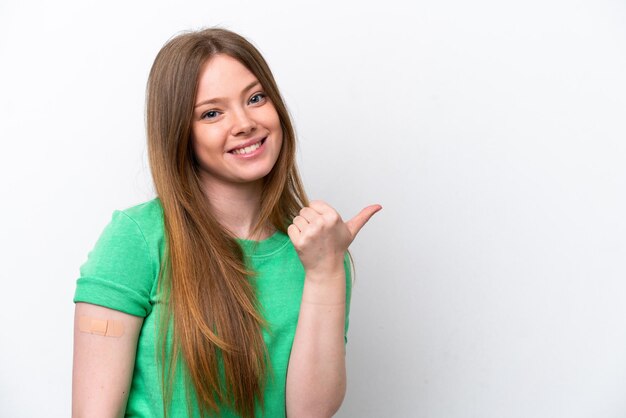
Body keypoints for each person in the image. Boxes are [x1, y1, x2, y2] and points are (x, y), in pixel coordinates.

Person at [72, 27, 381, 418]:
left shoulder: (317, 250)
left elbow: (308, 413)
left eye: (255, 98)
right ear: (180, 134)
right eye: (212, 113)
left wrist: (325, 272)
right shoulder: (135, 240)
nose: (245, 122)